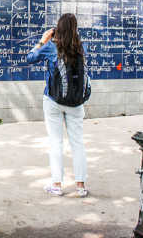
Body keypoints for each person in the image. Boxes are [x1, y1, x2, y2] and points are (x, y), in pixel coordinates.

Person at [26, 13, 88, 198]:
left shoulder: (51, 47)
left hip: (53, 100)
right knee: (78, 143)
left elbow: (30, 58)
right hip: (76, 102)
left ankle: (57, 184)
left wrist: (42, 41)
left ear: (57, 29)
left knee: (56, 142)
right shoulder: (80, 47)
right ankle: (80, 186)